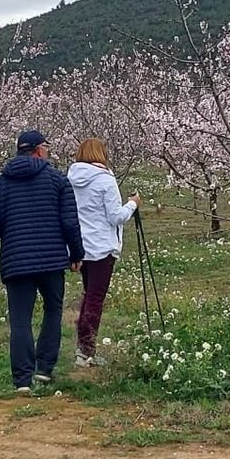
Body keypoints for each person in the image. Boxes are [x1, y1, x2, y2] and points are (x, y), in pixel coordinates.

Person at [0, 130, 83, 393]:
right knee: (53, 310)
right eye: (46, 147)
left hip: (16, 259)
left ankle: (22, 379)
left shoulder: (1, 183)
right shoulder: (56, 179)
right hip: (51, 259)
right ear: (39, 150)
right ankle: (45, 369)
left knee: (20, 319)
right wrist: (76, 255)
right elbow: (70, 222)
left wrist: (14, 228)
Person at [67, 138, 138, 367]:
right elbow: (115, 216)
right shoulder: (105, 180)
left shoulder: (70, 179)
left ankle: (83, 348)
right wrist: (133, 204)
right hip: (102, 247)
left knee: (88, 295)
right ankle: (86, 351)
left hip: (81, 246)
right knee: (95, 299)